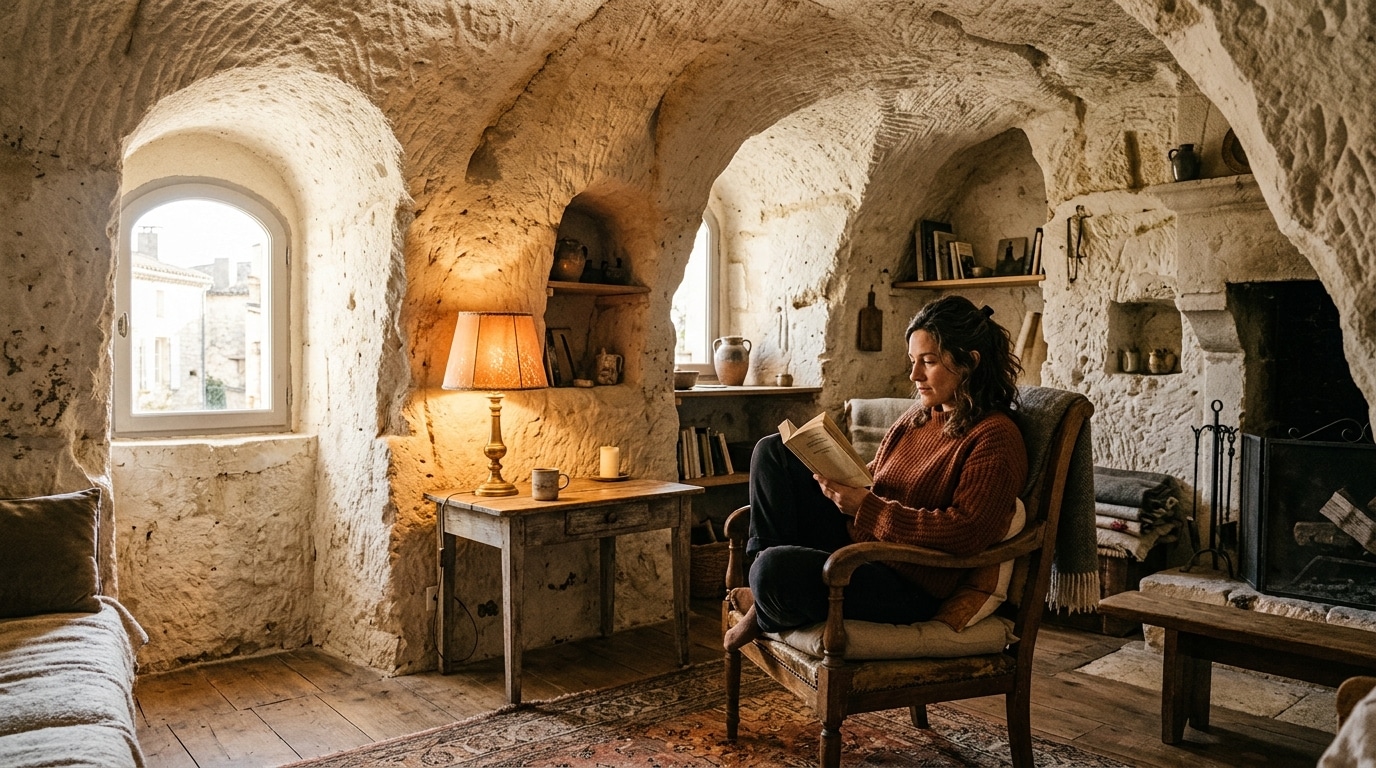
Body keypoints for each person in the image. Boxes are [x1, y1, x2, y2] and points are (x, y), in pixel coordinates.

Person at [724, 295, 1029, 651]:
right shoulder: (917, 418)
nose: (914, 375)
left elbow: (967, 532)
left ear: (970, 362)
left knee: (774, 571)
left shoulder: (994, 437)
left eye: (928, 362)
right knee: (774, 450)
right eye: (913, 361)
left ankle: (764, 598)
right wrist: (837, 475)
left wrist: (865, 508)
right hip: (859, 547)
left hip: (906, 582)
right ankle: (765, 598)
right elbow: (878, 477)